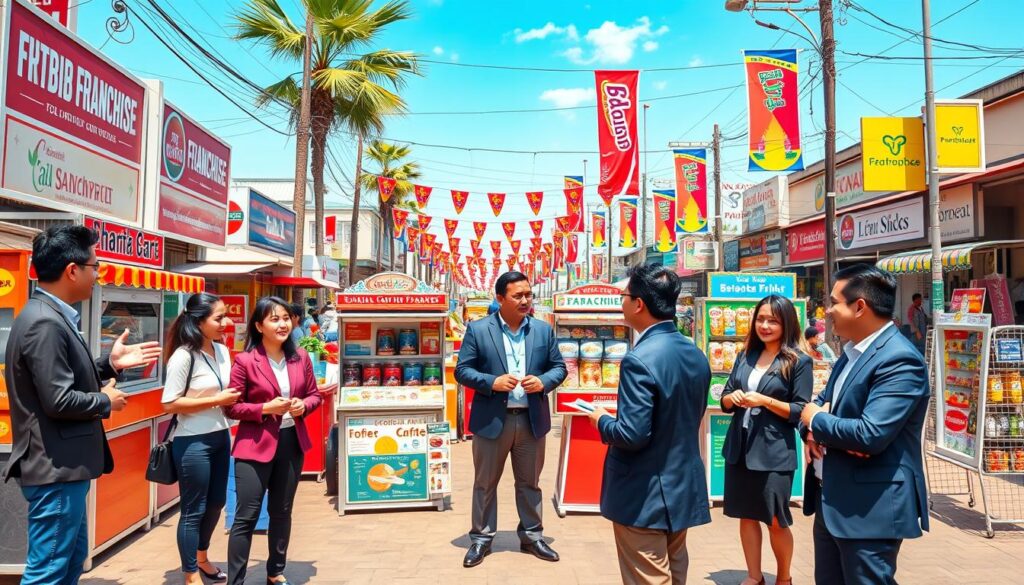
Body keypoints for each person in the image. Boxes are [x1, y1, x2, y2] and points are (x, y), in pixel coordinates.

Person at [2, 225, 160, 585]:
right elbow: (59, 399)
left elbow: (62, 381)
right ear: (72, 270)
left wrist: (110, 364)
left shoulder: (50, 316)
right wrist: (106, 400)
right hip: (56, 469)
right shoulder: (44, 322)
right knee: (48, 573)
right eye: (95, 265)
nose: (98, 274)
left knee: (68, 566)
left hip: (64, 468)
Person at [800, 265, 930, 585]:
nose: (827, 311)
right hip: (832, 499)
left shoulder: (900, 359)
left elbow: (870, 434)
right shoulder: (850, 353)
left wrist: (818, 421)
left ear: (860, 307)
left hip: (870, 509)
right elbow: (819, 403)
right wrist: (815, 428)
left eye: (833, 302)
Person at [587, 263, 712, 585]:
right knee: (675, 570)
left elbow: (631, 433)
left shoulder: (639, 359)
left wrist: (600, 419)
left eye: (624, 296)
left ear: (639, 304)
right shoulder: (695, 353)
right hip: (680, 483)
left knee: (649, 577)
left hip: (644, 492)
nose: (622, 303)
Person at [454, 271, 567, 568]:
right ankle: (481, 538)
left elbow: (559, 367)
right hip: (493, 419)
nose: (525, 300)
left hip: (531, 420)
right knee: (485, 482)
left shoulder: (543, 330)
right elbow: (462, 370)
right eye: (518, 295)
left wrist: (543, 381)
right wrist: (492, 381)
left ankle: (532, 536)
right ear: (500, 298)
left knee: (530, 482)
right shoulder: (478, 330)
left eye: (528, 294)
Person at [225, 297, 323, 585]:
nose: (282, 324)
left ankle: (275, 571)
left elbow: (315, 395)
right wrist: (265, 409)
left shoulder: (300, 357)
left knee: (281, 512)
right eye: (274, 319)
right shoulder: (245, 361)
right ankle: (236, 580)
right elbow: (231, 407)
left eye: (285, 318)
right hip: (254, 445)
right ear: (259, 326)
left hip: (291, 442)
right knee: (246, 516)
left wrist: (303, 405)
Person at [720, 296, 813, 585]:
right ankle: (753, 575)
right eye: (760, 319)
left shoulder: (798, 361)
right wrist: (730, 398)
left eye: (773, 320)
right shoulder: (744, 354)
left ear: (786, 323)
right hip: (740, 446)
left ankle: (784, 578)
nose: (765, 325)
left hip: (774, 451)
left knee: (775, 518)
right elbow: (724, 396)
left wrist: (765, 400)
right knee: (745, 515)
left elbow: (801, 409)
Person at [162, 293, 242, 584]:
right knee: (193, 509)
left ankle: (202, 556)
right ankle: (190, 573)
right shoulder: (183, 356)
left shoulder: (221, 351)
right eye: (219, 317)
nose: (227, 322)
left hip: (221, 436)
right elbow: (169, 403)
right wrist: (216, 400)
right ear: (198, 322)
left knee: (216, 503)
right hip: (193, 442)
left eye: (226, 315)